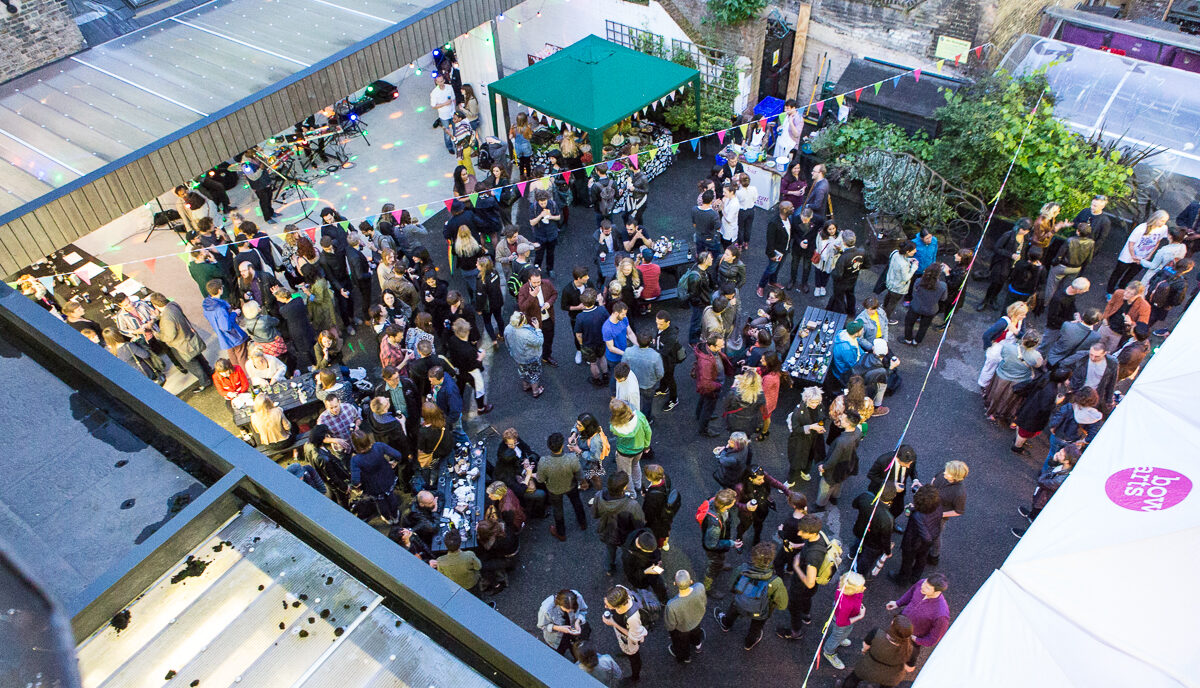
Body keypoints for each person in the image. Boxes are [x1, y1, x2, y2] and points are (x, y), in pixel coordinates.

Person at [715, 542, 788, 651]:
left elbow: (731, 585)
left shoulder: (742, 569)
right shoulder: (776, 582)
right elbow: (782, 605)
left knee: (732, 611)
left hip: (739, 603)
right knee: (756, 627)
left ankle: (726, 624)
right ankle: (749, 643)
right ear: (770, 561)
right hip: (760, 611)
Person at [777, 514, 829, 641]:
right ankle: (806, 616)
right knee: (807, 599)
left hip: (801, 587)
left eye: (802, 531)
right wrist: (798, 548)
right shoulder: (819, 535)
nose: (799, 533)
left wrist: (796, 567)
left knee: (794, 609)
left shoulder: (813, 556)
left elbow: (809, 583)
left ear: (811, 533)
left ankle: (796, 632)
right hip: (810, 589)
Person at [1013, 443, 1081, 537]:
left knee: (1038, 518)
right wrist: (1054, 460)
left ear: (1067, 461)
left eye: (1061, 454)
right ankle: (1031, 516)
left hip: (1044, 500)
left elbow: (1042, 481)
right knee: (1035, 508)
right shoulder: (1062, 466)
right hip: (1042, 494)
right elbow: (1049, 467)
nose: (1057, 453)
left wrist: (1051, 466)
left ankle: (1026, 535)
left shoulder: (1062, 479)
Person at [148, 292, 211, 390]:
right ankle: (209, 372)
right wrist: (159, 316)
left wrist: (157, 335)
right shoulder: (173, 305)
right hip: (189, 336)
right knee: (199, 357)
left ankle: (205, 381)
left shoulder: (166, 318)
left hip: (180, 345)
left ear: (155, 305)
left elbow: (169, 336)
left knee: (191, 364)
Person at [886, 574, 951, 662]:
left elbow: (932, 639)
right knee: (888, 643)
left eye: (927, 587)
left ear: (937, 592)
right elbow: (910, 593)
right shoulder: (922, 584)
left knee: (901, 657)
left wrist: (915, 639)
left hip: (911, 638)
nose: (923, 586)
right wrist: (898, 603)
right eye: (924, 582)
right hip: (900, 622)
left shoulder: (941, 615)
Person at [841, 615, 919, 688]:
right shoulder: (911, 649)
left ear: (893, 627)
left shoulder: (876, 633)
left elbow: (865, 646)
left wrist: (864, 651)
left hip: (867, 667)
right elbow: (909, 669)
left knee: (853, 679)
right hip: (890, 677)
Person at [984, 331, 1044, 423]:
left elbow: (1003, 355)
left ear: (1023, 339)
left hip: (1002, 376)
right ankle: (1002, 413)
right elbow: (1038, 366)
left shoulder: (1008, 347)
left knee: (997, 394)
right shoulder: (1036, 357)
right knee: (1009, 399)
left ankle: (991, 409)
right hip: (1019, 380)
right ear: (1035, 344)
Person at [592, 471, 645, 576]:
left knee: (610, 550)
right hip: (626, 535)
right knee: (627, 553)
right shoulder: (632, 505)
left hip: (607, 531)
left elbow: (595, 514)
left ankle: (608, 569)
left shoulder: (598, 496)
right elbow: (639, 524)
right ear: (624, 487)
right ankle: (628, 570)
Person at [537, 432, 588, 541]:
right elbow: (580, 474)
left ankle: (561, 533)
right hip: (571, 486)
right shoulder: (572, 458)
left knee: (558, 510)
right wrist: (584, 482)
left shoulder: (543, 462)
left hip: (554, 490)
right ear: (562, 445)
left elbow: (540, 479)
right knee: (577, 503)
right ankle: (583, 523)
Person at [1107, 209, 1169, 297]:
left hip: (1142, 257)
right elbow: (1131, 243)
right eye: (1162, 220)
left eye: (1165, 221)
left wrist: (1149, 256)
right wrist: (1133, 256)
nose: (1163, 223)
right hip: (1128, 256)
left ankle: (1121, 289)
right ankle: (1109, 291)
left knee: (1130, 275)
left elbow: (1157, 242)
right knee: (1118, 273)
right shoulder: (1142, 228)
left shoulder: (1163, 228)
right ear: (1155, 218)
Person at [890, 484, 943, 587]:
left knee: (907, 561)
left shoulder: (918, 516)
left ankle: (902, 579)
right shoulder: (938, 505)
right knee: (921, 558)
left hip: (914, 543)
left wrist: (910, 511)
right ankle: (915, 576)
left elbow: (926, 537)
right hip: (931, 537)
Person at [349, 430, 402, 523]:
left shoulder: (355, 460)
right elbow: (398, 455)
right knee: (391, 497)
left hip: (372, 485)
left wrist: (356, 484)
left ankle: (388, 519)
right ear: (368, 439)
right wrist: (393, 462)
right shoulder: (379, 446)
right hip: (387, 477)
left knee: (380, 502)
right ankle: (395, 516)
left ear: (355, 445)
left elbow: (355, 480)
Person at [979, 218, 1030, 311]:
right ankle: (985, 300)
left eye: (1026, 230)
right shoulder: (1008, 235)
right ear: (1020, 228)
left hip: (1012, 266)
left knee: (1001, 283)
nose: (1025, 232)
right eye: (1024, 229)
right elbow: (997, 248)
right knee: (994, 282)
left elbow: (1024, 251)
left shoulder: (1025, 238)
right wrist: (1010, 255)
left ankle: (993, 299)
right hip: (1001, 263)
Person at [815, 410, 863, 509]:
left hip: (835, 468)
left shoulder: (841, 441)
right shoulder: (857, 431)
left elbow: (833, 459)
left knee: (825, 486)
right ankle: (835, 497)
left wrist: (823, 466)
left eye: (843, 419)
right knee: (839, 482)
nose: (840, 418)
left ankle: (820, 504)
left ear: (848, 424)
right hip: (848, 464)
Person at [601, 584, 648, 683]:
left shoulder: (632, 619)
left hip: (630, 641)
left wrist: (613, 623)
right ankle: (625, 651)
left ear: (619, 605)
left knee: (634, 657)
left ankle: (635, 677)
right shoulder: (620, 589)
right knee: (626, 649)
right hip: (622, 636)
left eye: (608, 606)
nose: (605, 607)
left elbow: (635, 637)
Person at [698, 488, 739, 596]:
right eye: (733, 502)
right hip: (714, 549)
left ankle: (721, 565)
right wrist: (731, 543)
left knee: (720, 559)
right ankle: (707, 588)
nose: (735, 503)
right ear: (726, 505)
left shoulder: (715, 502)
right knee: (713, 567)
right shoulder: (714, 525)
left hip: (720, 541)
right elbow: (711, 545)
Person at [822, 571, 868, 669]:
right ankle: (828, 652)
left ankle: (840, 639)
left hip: (844, 616)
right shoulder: (846, 605)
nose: (864, 588)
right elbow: (841, 622)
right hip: (843, 622)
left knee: (842, 631)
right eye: (861, 587)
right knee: (836, 637)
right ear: (852, 590)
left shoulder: (843, 587)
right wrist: (860, 616)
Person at [928, 460, 968, 565]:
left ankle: (934, 556)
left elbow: (958, 511)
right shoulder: (945, 472)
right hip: (928, 506)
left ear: (956, 476)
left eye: (948, 473)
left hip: (939, 516)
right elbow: (934, 479)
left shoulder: (960, 492)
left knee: (936, 536)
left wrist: (941, 514)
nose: (944, 473)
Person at [694, 335, 735, 437]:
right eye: (720, 346)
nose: (722, 347)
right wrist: (718, 386)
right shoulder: (706, 362)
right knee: (708, 408)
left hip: (710, 385)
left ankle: (699, 415)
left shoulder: (709, 351)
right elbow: (706, 384)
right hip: (712, 388)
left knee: (703, 400)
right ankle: (703, 430)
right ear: (712, 346)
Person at [852, 484, 897, 578]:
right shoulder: (888, 518)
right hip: (873, 544)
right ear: (892, 497)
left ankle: (852, 554)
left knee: (858, 542)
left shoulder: (865, 496)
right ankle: (858, 573)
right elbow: (885, 538)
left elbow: (854, 505)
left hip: (860, 530)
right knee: (866, 559)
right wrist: (888, 551)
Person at [202, 280, 249, 368]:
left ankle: (237, 375)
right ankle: (247, 376)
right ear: (219, 290)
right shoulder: (220, 309)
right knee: (242, 357)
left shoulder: (207, 305)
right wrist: (234, 313)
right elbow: (226, 326)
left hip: (224, 339)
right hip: (233, 337)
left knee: (233, 357)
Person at [609, 399, 652, 492]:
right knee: (636, 465)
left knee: (625, 474)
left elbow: (612, 428)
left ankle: (631, 493)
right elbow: (648, 431)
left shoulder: (615, 427)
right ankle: (638, 485)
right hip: (639, 449)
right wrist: (646, 445)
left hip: (624, 453)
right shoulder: (639, 416)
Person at [786, 386, 827, 485]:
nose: (814, 405)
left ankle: (805, 472)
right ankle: (790, 481)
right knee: (796, 461)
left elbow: (822, 419)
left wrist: (820, 427)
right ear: (806, 399)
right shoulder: (798, 411)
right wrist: (811, 427)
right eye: (812, 402)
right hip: (800, 440)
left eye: (817, 402)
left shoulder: (820, 406)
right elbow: (795, 430)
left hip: (814, 438)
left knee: (810, 456)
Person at [518, 269, 559, 366]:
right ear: (529, 280)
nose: (537, 285)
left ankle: (546, 356)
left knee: (549, 339)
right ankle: (533, 360)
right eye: (534, 282)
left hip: (547, 318)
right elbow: (522, 307)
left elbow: (554, 294)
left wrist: (549, 303)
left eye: (539, 282)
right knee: (533, 343)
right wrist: (532, 296)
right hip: (533, 322)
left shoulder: (547, 283)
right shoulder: (523, 289)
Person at [665, 569, 707, 664]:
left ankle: (686, 657)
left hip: (683, 629)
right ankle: (698, 646)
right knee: (696, 634)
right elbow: (704, 601)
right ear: (691, 581)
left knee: (682, 644)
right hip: (696, 621)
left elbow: (671, 625)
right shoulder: (700, 587)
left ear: (675, 584)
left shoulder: (671, 605)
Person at [622, 329, 664, 423]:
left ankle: (632, 418)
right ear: (650, 342)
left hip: (632, 382)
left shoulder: (628, 352)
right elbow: (660, 373)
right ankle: (645, 419)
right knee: (647, 402)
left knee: (633, 401)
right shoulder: (655, 356)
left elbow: (623, 366)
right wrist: (654, 380)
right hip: (648, 384)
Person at [1067, 342, 1119, 413]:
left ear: (1105, 353)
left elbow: (1112, 382)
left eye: (1097, 356)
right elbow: (1065, 364)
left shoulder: (1112, 363)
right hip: (1078, 390)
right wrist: (1067, 379)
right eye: (1091, 354)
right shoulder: (1082, 356)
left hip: (1095, 395)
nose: (1093, 358)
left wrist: (1109, 400)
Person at [903, 263, 947, 346]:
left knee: (909, 323)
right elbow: (943, 298)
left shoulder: (919, 281)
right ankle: (916, 341)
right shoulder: (943, 286)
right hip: (930, 310)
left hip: (916, 306)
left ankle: (908, 339)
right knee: (924, 327)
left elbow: (913, 292)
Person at [1099, 281, 1150, 352]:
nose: (1125, 294)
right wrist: (1105, 318)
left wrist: (1131, 323)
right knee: (1094, 344)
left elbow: (1141, 326)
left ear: (1138, 295)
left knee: (1108, 352)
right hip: (1106, 326)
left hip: (1119, 335)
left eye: (1130, 293)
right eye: (1126, 290)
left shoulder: (1144, 307)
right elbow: (1110, 304)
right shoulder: (1119, 293)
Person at [537, 589, 590, 657]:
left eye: (572, 610)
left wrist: (577, 621)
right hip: (556, 638)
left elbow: (583, 610)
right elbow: (542, 626)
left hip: (575, 634)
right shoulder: (546, 609)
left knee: (578, 653)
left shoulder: (578, 597)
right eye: (566, 610)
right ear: (558, 603)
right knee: (559, 654)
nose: (569, 612)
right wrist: (559, 628)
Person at [504, 311, 545, 397]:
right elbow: (539, 342)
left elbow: (507, 343)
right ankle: (535, 391)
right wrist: (537, 329)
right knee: (534, 374)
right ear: (521, 322)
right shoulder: (526, 334)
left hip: (518, 357)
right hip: (531, 357)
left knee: (523, 372)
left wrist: (512, 353)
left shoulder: (507, 329)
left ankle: (526, 386)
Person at [622, 528, 668, 603]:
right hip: (642, 576)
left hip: (651, 569)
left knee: (659, 586)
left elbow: (655, 551)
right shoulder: (628, 557)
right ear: (640, 547)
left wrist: (658, 559)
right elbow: (631, 575)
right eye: (649, 552)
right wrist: (646, 571)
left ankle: (664, 600)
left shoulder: (647, 534)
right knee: (647, 587)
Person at [433, 529, 483, 597]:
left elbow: (442, 575)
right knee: (477, 596)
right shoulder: (469, 555)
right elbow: (478, 566)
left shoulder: (440, 561)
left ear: (445, 545)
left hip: (456, 586)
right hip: (471, 583)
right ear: (460, 544)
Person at [653, 311, 684, 413]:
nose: (658, 326)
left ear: (668, 322)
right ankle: (663, 389)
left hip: (668, 361)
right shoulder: (662, 329)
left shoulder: (670, 336)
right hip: (663, 359)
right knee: (664, 376)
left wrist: (651, 350)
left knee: (669, 378)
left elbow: (664, 352)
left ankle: (674, 399)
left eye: (661, 324)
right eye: (657, 323)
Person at [641, 463, 678, 550]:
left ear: (649, 478)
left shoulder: (652, 496)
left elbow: (648, 512)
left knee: (656, 532)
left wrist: (647, 495)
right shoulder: (666, 478)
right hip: (666, 512)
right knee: (666, 530)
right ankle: (664, 544)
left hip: (657, 518)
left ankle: (657, 546)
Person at [882, 241, 920, 316]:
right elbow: (906, 278)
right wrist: (914, 267)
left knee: (888, 297)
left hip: (890, 281)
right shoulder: (904, 265)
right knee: (892, 304)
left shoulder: (895, 253)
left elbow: (896, 260)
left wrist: (909, 260)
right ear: (907, 251)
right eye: (913, 250)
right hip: (898, 288)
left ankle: (883, 309)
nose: (915, 251)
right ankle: (886, 317)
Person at [431, 73, 456, 154]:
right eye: (439, 82)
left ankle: (457, 143)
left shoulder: (449, 87)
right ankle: (449, 146)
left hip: (452, 113)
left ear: (444, 80)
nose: (441, 83)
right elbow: (433, 106)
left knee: (456, 129)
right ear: (436, 82)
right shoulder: (434, 93)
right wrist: (444, 104)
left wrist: (454, 109)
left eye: (442, 81)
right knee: (447, 132)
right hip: (443, 115)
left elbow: (453, 98)